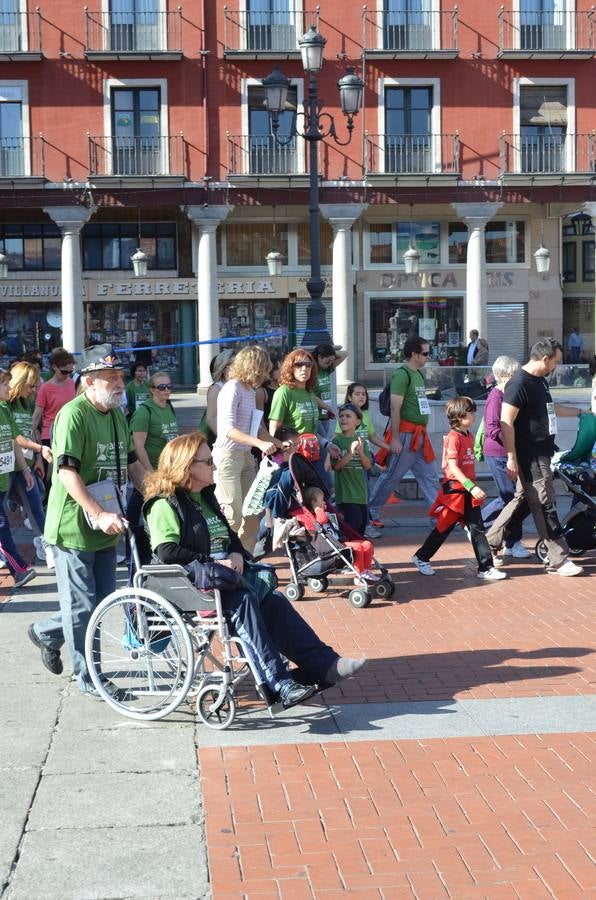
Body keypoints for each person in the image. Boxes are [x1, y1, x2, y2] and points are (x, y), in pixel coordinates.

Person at [143, 431, 367, 708]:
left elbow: (229, 537)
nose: (214, 466)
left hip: (222, 578)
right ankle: (279, 684)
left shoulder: (204, 497)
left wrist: (236, 552)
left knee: (274, 600)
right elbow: (166, 551)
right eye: (208, 462)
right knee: (245, 602)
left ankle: (324, 664)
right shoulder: (164, 504)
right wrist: (212, 561)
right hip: (193, 585)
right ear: (187, 467)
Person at [27, 344, 146, 694]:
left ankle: (47, 632)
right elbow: (66, 472)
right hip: (74, 527)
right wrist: (98, 513)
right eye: (110, 377)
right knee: (81, 607)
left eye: (120, 376)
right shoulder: (73, 415)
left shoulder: (117, 416)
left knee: (101, 601)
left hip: (107, 523)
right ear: (90, 381)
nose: (119, 383)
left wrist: (156, 493)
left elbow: (133, 464)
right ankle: (89, 677)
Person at [485, 338, 586, 577]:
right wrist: (511, 457)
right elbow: (505, 422)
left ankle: (488, 542)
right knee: (544, 503)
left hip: (543, 451)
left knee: (522, 501)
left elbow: (549, 408)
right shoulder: (519, 383)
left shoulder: (540, 381)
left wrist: (581, 413)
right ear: (545, 358)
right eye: (555, 362)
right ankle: (558, 558)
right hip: (530, 456)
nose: (556, 367)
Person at [411, 396, 507, 581]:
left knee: (477, 529)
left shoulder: (468, 435)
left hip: (467, 491)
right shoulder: (454, 437)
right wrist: (471, 487)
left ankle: (485, 567)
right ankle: (421, 557)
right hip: (455, 492)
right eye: (471, 412)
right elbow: (452, 466)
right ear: (460, 416)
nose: (474, 415)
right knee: (443, 527)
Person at [213, 345, 281, 553]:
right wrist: (259, 444)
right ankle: (224, 558)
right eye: (262, 370)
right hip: (228, 458)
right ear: (252, 367)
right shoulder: (232, 388)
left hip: (246, 457)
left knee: (252, 515)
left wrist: (279, 444)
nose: (265, 376)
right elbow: (227, 429)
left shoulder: (250, 391)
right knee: (232, 515)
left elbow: (257, 428)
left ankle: (246, 559)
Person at [368, 336, 440, 525]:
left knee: (430, 477)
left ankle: (438, 516)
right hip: (407, 435)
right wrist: (396, 438)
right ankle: (371, 510)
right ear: (414, 354)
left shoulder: (417, 374)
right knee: (392, 476)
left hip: (418, 435)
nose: (428, 356)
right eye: (425, 353)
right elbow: (395, 408)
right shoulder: (402, 375)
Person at [481, 355, 531, 560]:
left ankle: (507, 539)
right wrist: (511, 443)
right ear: (505, 375)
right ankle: (503, 537)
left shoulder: (509, 395)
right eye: (515, 373)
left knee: (517, 498)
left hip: (509, 452)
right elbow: (493, 428)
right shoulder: (496, 397)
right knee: (511, 498)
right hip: (498, 453)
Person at [7, 361, 54, 569]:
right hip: (7, 468)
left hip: (24, 465)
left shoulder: (26, 403)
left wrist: (37, 459)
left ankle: (47, 546)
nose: (34, 390)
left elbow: (31, 430)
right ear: (20, 382)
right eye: (31, 385)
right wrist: (39, 449)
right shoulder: (5, 404)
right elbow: (16, 436)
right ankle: (10, 558)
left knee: (36, 507)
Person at [127, 371, 179, 529]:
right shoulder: (145, 411)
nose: (167, 390)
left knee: (158, 504)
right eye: (162, 387)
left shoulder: (169, 407)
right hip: (152, 469)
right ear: (152, 390)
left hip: (168, 470)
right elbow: (138, 445)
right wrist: (149, 471)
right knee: (141, 499)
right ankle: (131, 533)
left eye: (169, 386)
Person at [0, 367, 37, 587]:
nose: (9, 387)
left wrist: (25, 469)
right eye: (4, 384)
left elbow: (15, 441)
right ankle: (18, 569)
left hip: (3, 480)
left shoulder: (4, 410)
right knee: (1, 525)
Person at [31, 348, 76, 486]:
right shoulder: (46, 388)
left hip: (69, 432)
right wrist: (33, 439)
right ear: (54, 367)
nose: (67, 375)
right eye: (64, 371)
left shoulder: (71, 383)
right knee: (49, 477)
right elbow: (36, 416)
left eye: (70, 371)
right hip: (50, 435)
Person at [330, 403, 372, 537]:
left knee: (361, 528)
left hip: (361, 494)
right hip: (346, 495)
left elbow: (368, 466)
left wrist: (361, 453)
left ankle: (358, 549)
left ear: (357, 421)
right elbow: (336, 466)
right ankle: (349, 548)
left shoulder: (361, 441)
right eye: (341, 416)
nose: (343, 419)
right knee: (353, 525)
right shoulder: (336, 441)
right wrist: (351, 453)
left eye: (348, 416)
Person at [198, 349, 235, 446]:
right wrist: (225, 439)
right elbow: (210, 419)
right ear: (225, 369)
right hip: (220, 441)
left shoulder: (236, 386)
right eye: (235, 366)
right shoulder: (216, 388)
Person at [312, 343, 347, 441]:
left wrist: (331, 354)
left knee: (325, 441)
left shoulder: (326, 369)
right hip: (316, 415)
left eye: (332, 361)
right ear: (319, 357)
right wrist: (327, 407)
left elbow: (344, 354)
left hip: (326, 415)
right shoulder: (312, 372)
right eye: (327, 361)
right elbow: (311, 395)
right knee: (324, 443)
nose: (330, 364)